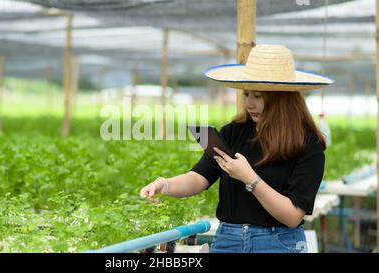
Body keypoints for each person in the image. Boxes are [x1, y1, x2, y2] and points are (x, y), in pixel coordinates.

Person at [139, 44, 334, 253]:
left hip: (278, 243)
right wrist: (164, 185)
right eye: (246, 94)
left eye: (257, 96)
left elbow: (292, 216)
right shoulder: (233, 133)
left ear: (282, 98)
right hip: (228, 241)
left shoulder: (307, 145)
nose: (249, 103)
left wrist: (250, 179)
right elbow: (198, 178)